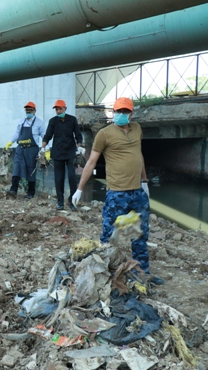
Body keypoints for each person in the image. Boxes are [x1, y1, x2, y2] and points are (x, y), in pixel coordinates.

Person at [72, 97, 164, 285]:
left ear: (131, 113)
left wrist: (144, 181)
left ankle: (142, 272)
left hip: (137, 192)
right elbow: (91, 162)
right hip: (117, 193)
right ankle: (103, 273)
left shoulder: (137, 129)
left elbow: (139, 155)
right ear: (113, 112)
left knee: (140, 234)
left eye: (125, 111)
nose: (121, 114)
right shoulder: (104, 134)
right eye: (118, 111)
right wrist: (79, 189)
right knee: (108, 235)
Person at [41, 99, 83, 211]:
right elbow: (48, 135)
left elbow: (78, 135)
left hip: (70, 153)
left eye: (60, 109)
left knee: (72, 177)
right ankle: (60, 202)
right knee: (59, 178)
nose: (58, 111)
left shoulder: (72, 120)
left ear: (65, 108)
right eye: (56, 109)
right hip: (57, 153)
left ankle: (72, 201)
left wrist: (79, 147)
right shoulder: (53, 121)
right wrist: (42, 147)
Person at [4, 101, 46, 199]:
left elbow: (45, 137)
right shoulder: (21, 122)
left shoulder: (39, 123)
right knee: (17, 168)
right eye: (27, 110)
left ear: (34, 111)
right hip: (20, 149)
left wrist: (46, 150)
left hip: (32, 150)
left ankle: (31, 192)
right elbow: (17, 134)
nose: (28, 112)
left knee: (31, 170)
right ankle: (13, 190)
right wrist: (9, 143)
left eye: (30, 110)